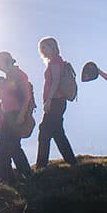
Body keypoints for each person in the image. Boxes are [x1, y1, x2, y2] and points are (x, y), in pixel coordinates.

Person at [0, 71, 32, 184]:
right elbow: (0, 121)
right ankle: (15, 179)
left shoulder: (10, 99)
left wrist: (17, 123)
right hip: (4, 133)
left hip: (8, 133)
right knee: (7, 156)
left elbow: (11, 117)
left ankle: (13, 179)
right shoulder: (3, 103)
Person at [36, 37, 77, 169]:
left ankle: (41, 166)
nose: (42, 50)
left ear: (52, 47)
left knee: (44, 132)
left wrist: (48, 100)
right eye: (41, 48)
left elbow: (56, 81)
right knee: (57, 133)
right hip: (57, 101)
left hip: (55, 101)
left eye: (45, 47)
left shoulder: (55, 61)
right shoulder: (54, 61)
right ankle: (71, 161)